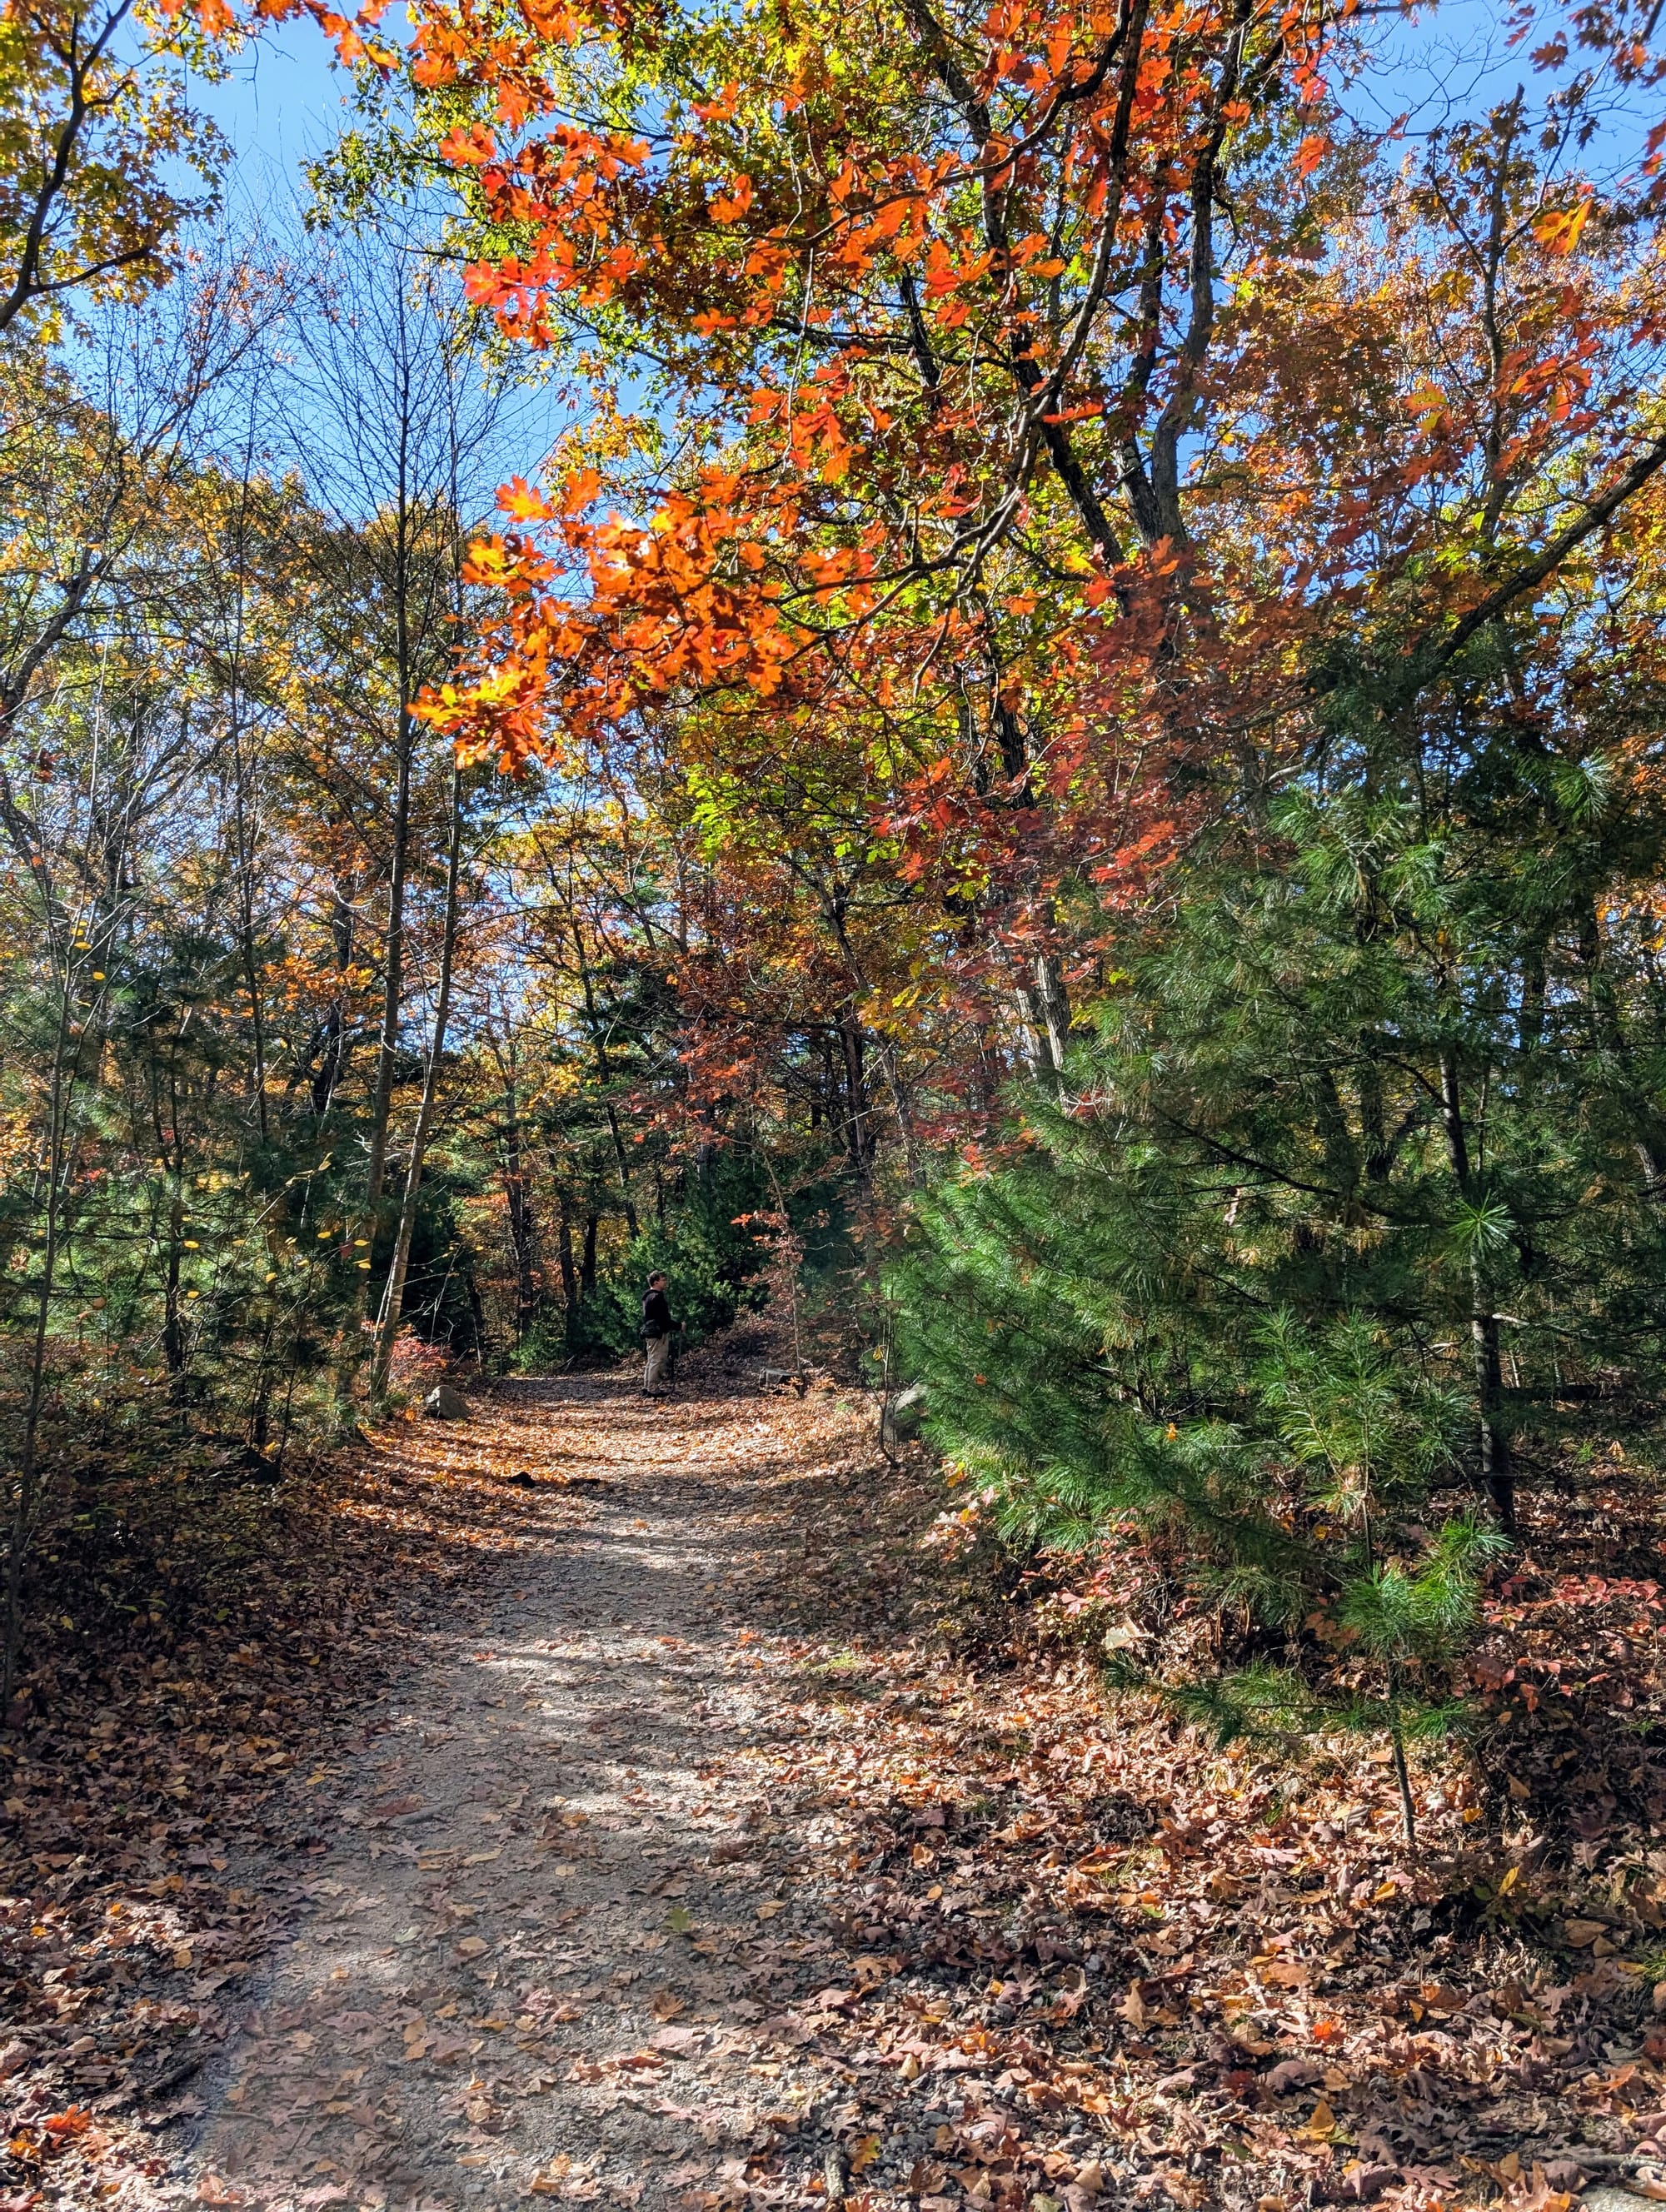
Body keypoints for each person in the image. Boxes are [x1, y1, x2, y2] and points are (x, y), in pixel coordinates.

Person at [641, 1271, 675, 1394]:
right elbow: (663, 1319)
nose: (665, 1282)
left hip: (650, 1332)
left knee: (652, 1359)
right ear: (656, 1282)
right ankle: (653, 1389)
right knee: (658, 1360)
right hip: (658, 1333)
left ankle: (647, 1387)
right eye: (663, 1280)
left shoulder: (647, 1297)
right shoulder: (657, 1297)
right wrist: (678, 1326)